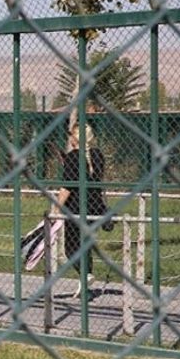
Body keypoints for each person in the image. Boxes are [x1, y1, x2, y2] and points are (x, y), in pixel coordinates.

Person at [56, 115, 107, 298]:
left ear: (76, 138)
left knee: (70, 249)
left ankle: (85, 274)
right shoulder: (97, 155)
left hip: (76, 207)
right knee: (85, 245)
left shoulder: (72, 157)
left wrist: (56, 207)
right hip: (94, 206)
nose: (69, 137)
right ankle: (85, 286)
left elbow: (67, 187)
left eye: (71, 134)